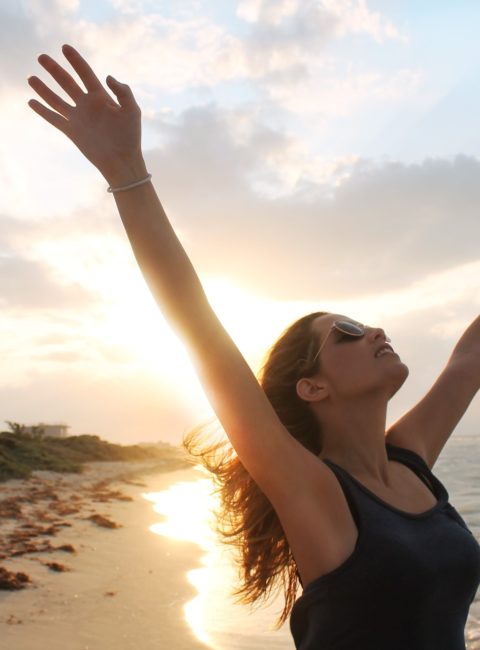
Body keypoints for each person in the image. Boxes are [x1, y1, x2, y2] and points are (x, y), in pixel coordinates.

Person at [28, 45, 480, 649]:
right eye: (345, 332)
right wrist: (126, 172)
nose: (374, 330)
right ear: (311, 386)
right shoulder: (314, 490)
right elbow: (199, 329)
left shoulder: (411, 461)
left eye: (365, 323)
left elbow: (471, 357)